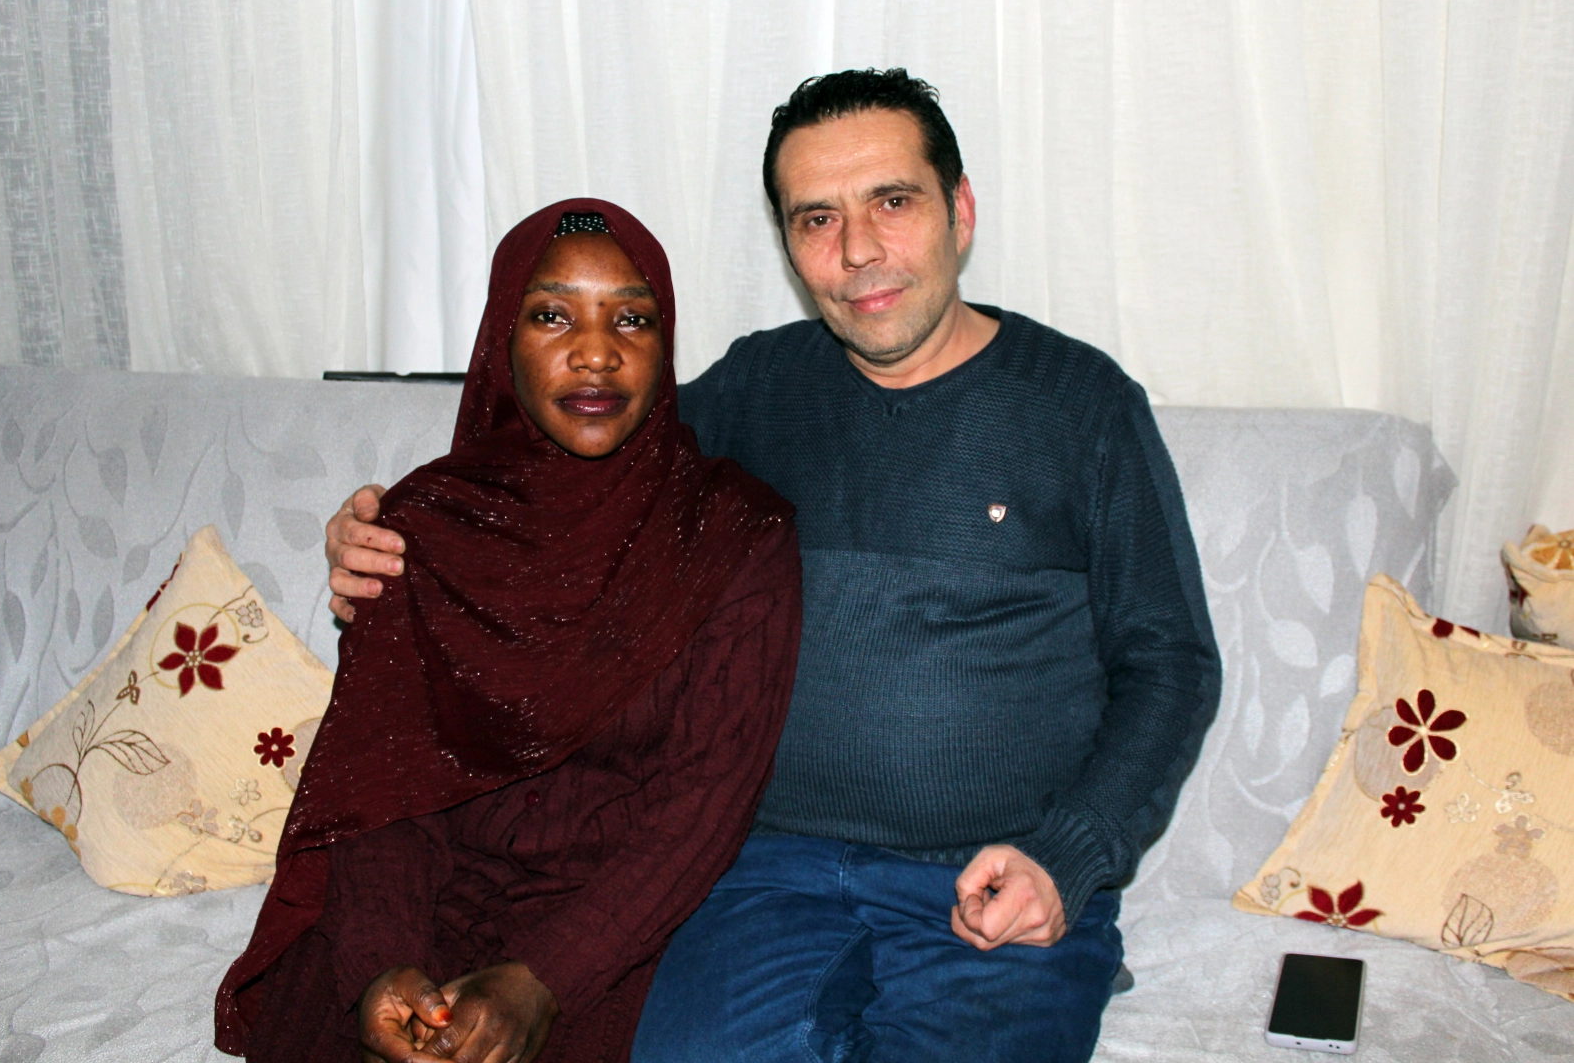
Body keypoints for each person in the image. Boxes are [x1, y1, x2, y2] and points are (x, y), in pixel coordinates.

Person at [325, 70, 1221, 1062]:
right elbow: (570, 489)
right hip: (756, 883)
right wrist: (401, 539)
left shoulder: (1080, 406)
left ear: (959, 212)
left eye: (892, 201)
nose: (858, 250)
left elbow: (1171, 663)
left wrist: (1069, 856)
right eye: (816, 219)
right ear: (789, 245)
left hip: (990, 886)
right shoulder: (754, 390)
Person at [216, 200, 802, 1063]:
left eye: (631, 319)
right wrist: (383, 967)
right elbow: (378, 786)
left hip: (614, 931)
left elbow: (704, 806)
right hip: (420, 904)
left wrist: (543, 980)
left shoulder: (732, 535)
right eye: (552, 315)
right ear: (502, 340)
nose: (596, 352)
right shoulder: (420, 527)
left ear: (664, 343)